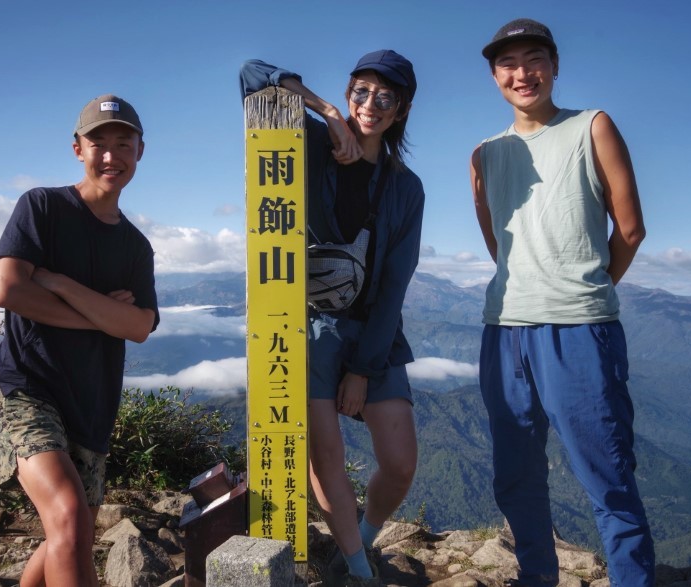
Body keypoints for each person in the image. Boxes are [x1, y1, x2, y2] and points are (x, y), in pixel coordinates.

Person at [470, 18, 655, 587]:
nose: (522, 73)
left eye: (534, 59)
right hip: (504, 328)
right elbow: (497, 242)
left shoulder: (591, 126)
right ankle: (536, 578)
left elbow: (630, 229)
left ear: (554, 65)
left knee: (607, 475)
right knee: (515, 476)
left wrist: (589, 288)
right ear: (495, 76)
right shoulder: (485, 154)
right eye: (508, 64)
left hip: (579, 327)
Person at [241, 51, 424, 586]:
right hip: (311, 326)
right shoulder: (314, 145)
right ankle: (360, 570)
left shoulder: (404, 188)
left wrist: (364, 368)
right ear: (348, 94)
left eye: (385, 98)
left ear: (400, 111)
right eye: (360, 92)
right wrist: (326, 113)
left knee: (400, 462)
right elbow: (252, 75)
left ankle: (362, 535)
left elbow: (395, 283)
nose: (371, 105)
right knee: (327, 459)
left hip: (375, 331)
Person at [0, 94, 159, 586]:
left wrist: (59, 284)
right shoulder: (42, 206)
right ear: (77, 148)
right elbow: (8, 289)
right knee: (71, 517)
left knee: (69, 530)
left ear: (141, 150)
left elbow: (140, 327)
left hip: (92, 404)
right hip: (25, 388)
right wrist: (104, 314)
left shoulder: (136, 246)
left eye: (124, 143)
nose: (111, 155)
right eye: (98, 142)